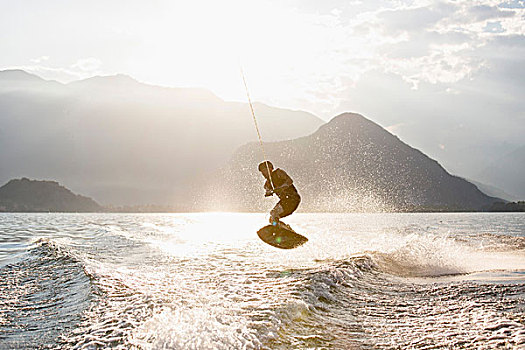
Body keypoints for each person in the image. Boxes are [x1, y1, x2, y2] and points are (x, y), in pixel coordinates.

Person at [258, 161, 301, 226]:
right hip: (285, 202)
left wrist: (281, 188)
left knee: (274, 213)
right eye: (262, 172)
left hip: (293, 199)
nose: (264, 173)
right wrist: (268, 192)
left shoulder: (279, 173)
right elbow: (267, 190)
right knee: (272, 217)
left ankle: (278, 226)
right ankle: (281, 228)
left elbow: (290, 181)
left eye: (265, 170)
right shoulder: (267, 183)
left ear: (270, 168)